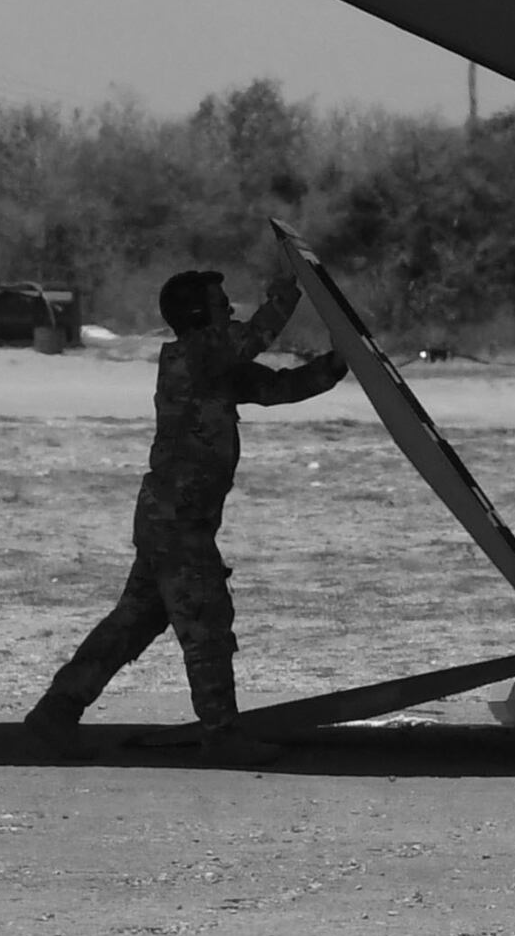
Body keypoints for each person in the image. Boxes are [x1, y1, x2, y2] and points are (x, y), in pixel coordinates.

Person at [26, 260, 348, 762]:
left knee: (131, 624)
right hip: (177, 523)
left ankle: (56, 711)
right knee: (207, 626)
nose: (231, 312)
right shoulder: (196, 354)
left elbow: (277, 388)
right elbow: (253, 339)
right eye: (222, 306)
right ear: (201, 315)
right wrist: (288, 295)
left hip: (172, 520)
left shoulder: (210, 363)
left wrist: (338, 363)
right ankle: (222, 735)